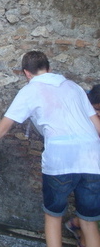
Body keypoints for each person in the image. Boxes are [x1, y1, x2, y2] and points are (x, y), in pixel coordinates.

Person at [0, 51, 100, 247]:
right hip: (92, 158)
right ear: (49, 68)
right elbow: (97, 125)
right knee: (89, 222)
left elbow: (2, 128)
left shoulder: (30, 90)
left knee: (53, 217)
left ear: (26, 73)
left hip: (60, 159)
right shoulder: (74, 87)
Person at [65, 84, 100, 247]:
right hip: (88, 168)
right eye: (96, 110)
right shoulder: (81, 108)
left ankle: (77, 223)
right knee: (90, 220)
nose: (97, 114)